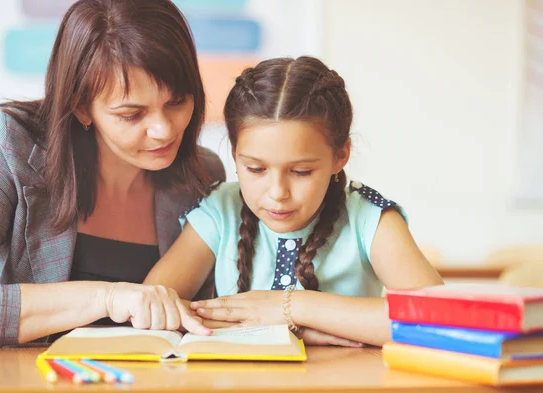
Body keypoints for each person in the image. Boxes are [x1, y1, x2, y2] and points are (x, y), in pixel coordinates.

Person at [0, 0, 223, 348]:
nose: (164, 131)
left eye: (177, 102)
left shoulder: (202, 175)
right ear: (80, 106)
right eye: (131, 114)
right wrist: (106, 298)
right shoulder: (12, 149)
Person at [145, 56, 444, 347]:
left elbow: (439, 319)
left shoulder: (369, 217)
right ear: (235, 154)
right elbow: (152, 303)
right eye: (256, 169)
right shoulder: (218, 210)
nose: (277, 192)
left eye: (301, 172)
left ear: (340, 155)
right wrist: (297, 331)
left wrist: (293, 307)